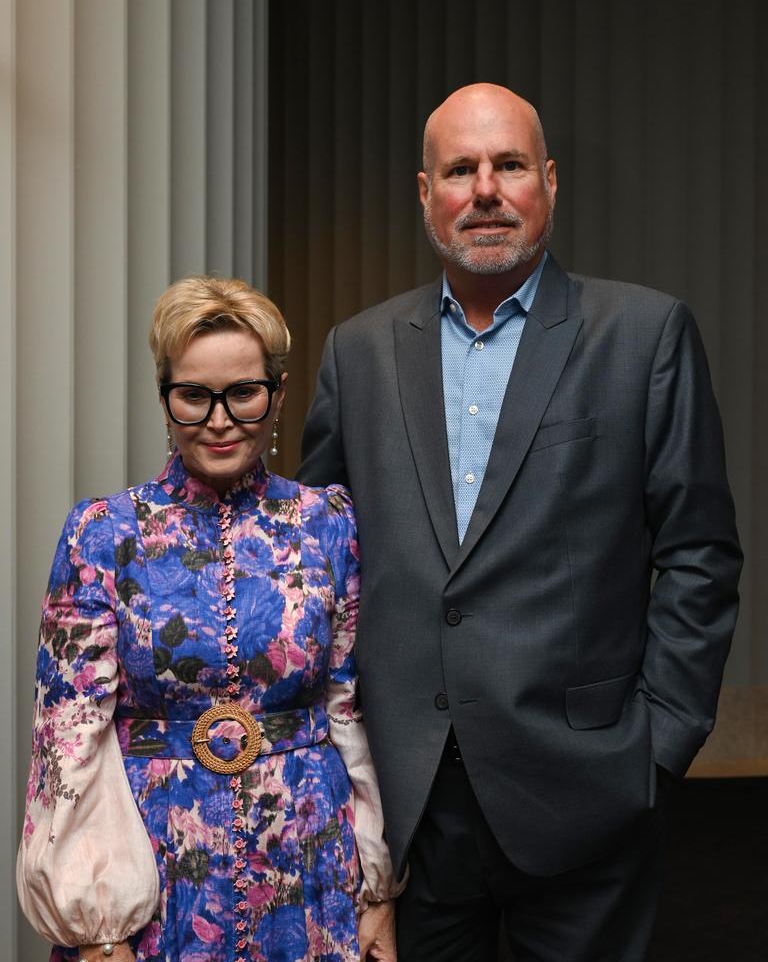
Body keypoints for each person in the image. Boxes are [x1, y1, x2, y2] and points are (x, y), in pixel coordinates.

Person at [297, 83, 742, 961]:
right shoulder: (358, 351)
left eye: (508, 165)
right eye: (460, 169)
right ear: (426, 194)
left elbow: (699, 553)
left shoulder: (644, 335)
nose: (485, 190)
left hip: (586, 791)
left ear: (548, 181)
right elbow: (322, 561)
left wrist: (657, 747)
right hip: (406, 803)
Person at [17, 276, 401, 962]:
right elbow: (66, 740)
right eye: (194, 395)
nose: (219, 419)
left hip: (309, 863)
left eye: (243, 393)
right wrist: (95, 928)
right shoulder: (104, 533)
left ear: (277, 395)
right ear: (165, 400)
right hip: (159, 869)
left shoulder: (328, 523)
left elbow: (352, 710)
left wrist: (376, 891)